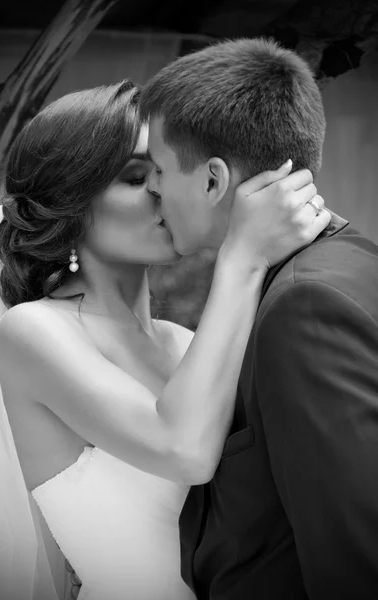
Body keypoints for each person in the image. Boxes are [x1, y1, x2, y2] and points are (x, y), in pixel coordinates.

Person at [0, 80, 328, 600]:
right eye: (137, 177)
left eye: (166, 170)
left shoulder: (186, 344)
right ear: (72, 201)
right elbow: (185, 449)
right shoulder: (33, 334)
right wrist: (242, 255)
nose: (163, 191)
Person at [137, 36, 378, 599]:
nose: (150, 187)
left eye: (155, 168)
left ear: (213, 181)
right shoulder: (342, 263)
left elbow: (357, 562)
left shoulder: (305, 307)